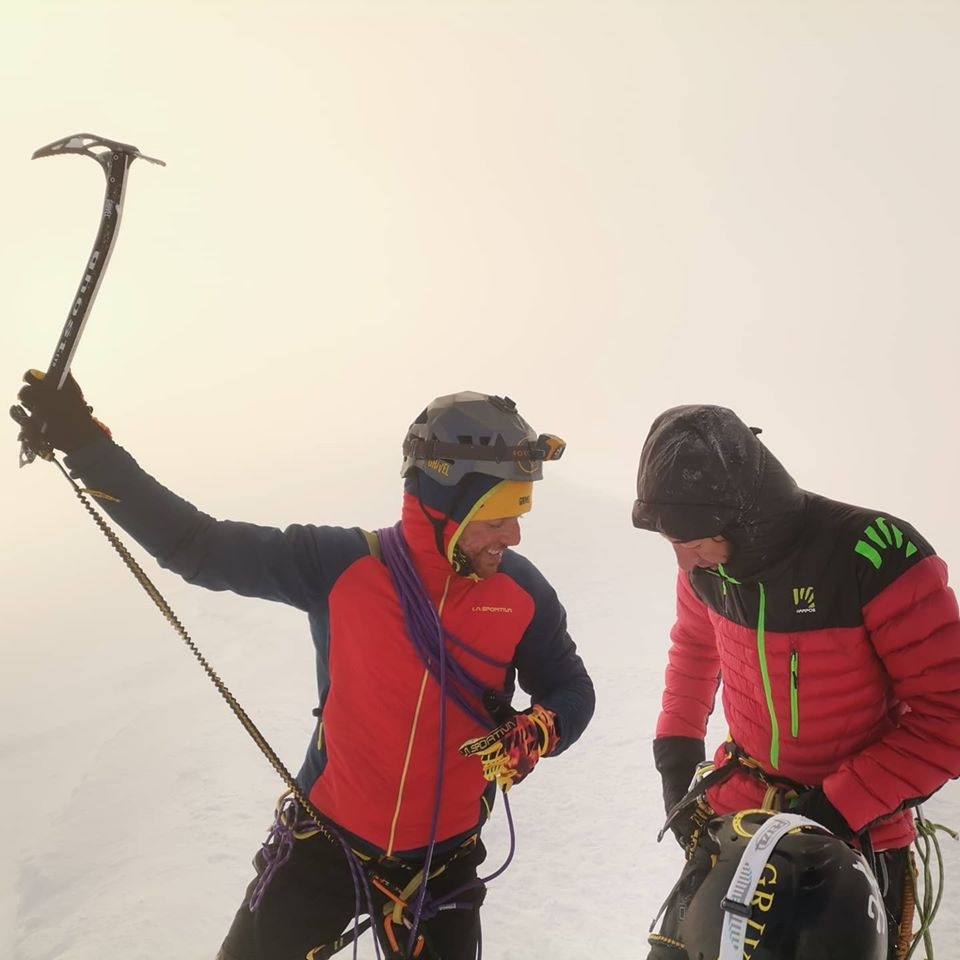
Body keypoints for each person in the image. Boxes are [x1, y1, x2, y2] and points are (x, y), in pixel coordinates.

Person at [13, 373, 595, 960]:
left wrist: (542, 728)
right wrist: (87, 447)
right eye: (496, 519)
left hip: (442, 868)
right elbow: (198, 546)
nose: (513, 535)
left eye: (519, 514)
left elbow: (572, 689)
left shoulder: (522, 594)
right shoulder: (342, 565)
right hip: (325, 848)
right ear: (444, 505)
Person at [631, 404, 960, 960]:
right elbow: (693, 647)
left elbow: (948, 715)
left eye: (689, 539)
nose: (682, 560)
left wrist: (833, 808)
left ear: (743, 516)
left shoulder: (875, 557)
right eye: (671, 541)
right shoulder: (705, 565)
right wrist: (676, 756)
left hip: (856, 836)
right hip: (741, 810)